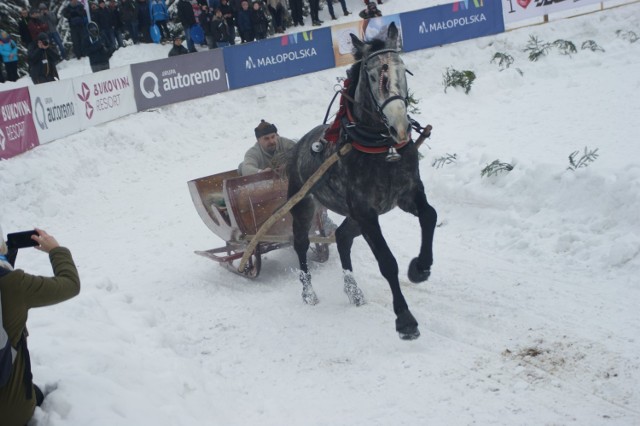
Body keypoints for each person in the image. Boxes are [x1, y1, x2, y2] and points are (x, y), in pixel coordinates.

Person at [0, 227, 81, 426]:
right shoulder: (14, 284)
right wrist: (56, 250)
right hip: (9, 413)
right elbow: (70, 284)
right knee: (33, 393)